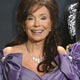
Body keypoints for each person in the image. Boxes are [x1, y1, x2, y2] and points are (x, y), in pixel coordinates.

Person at [0, 0, 80, 80]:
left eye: (43, 18)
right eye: (30, 18)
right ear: (23, 24)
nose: (37, 24)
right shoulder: (9, 55)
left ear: (51, 24)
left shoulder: (61, 54)